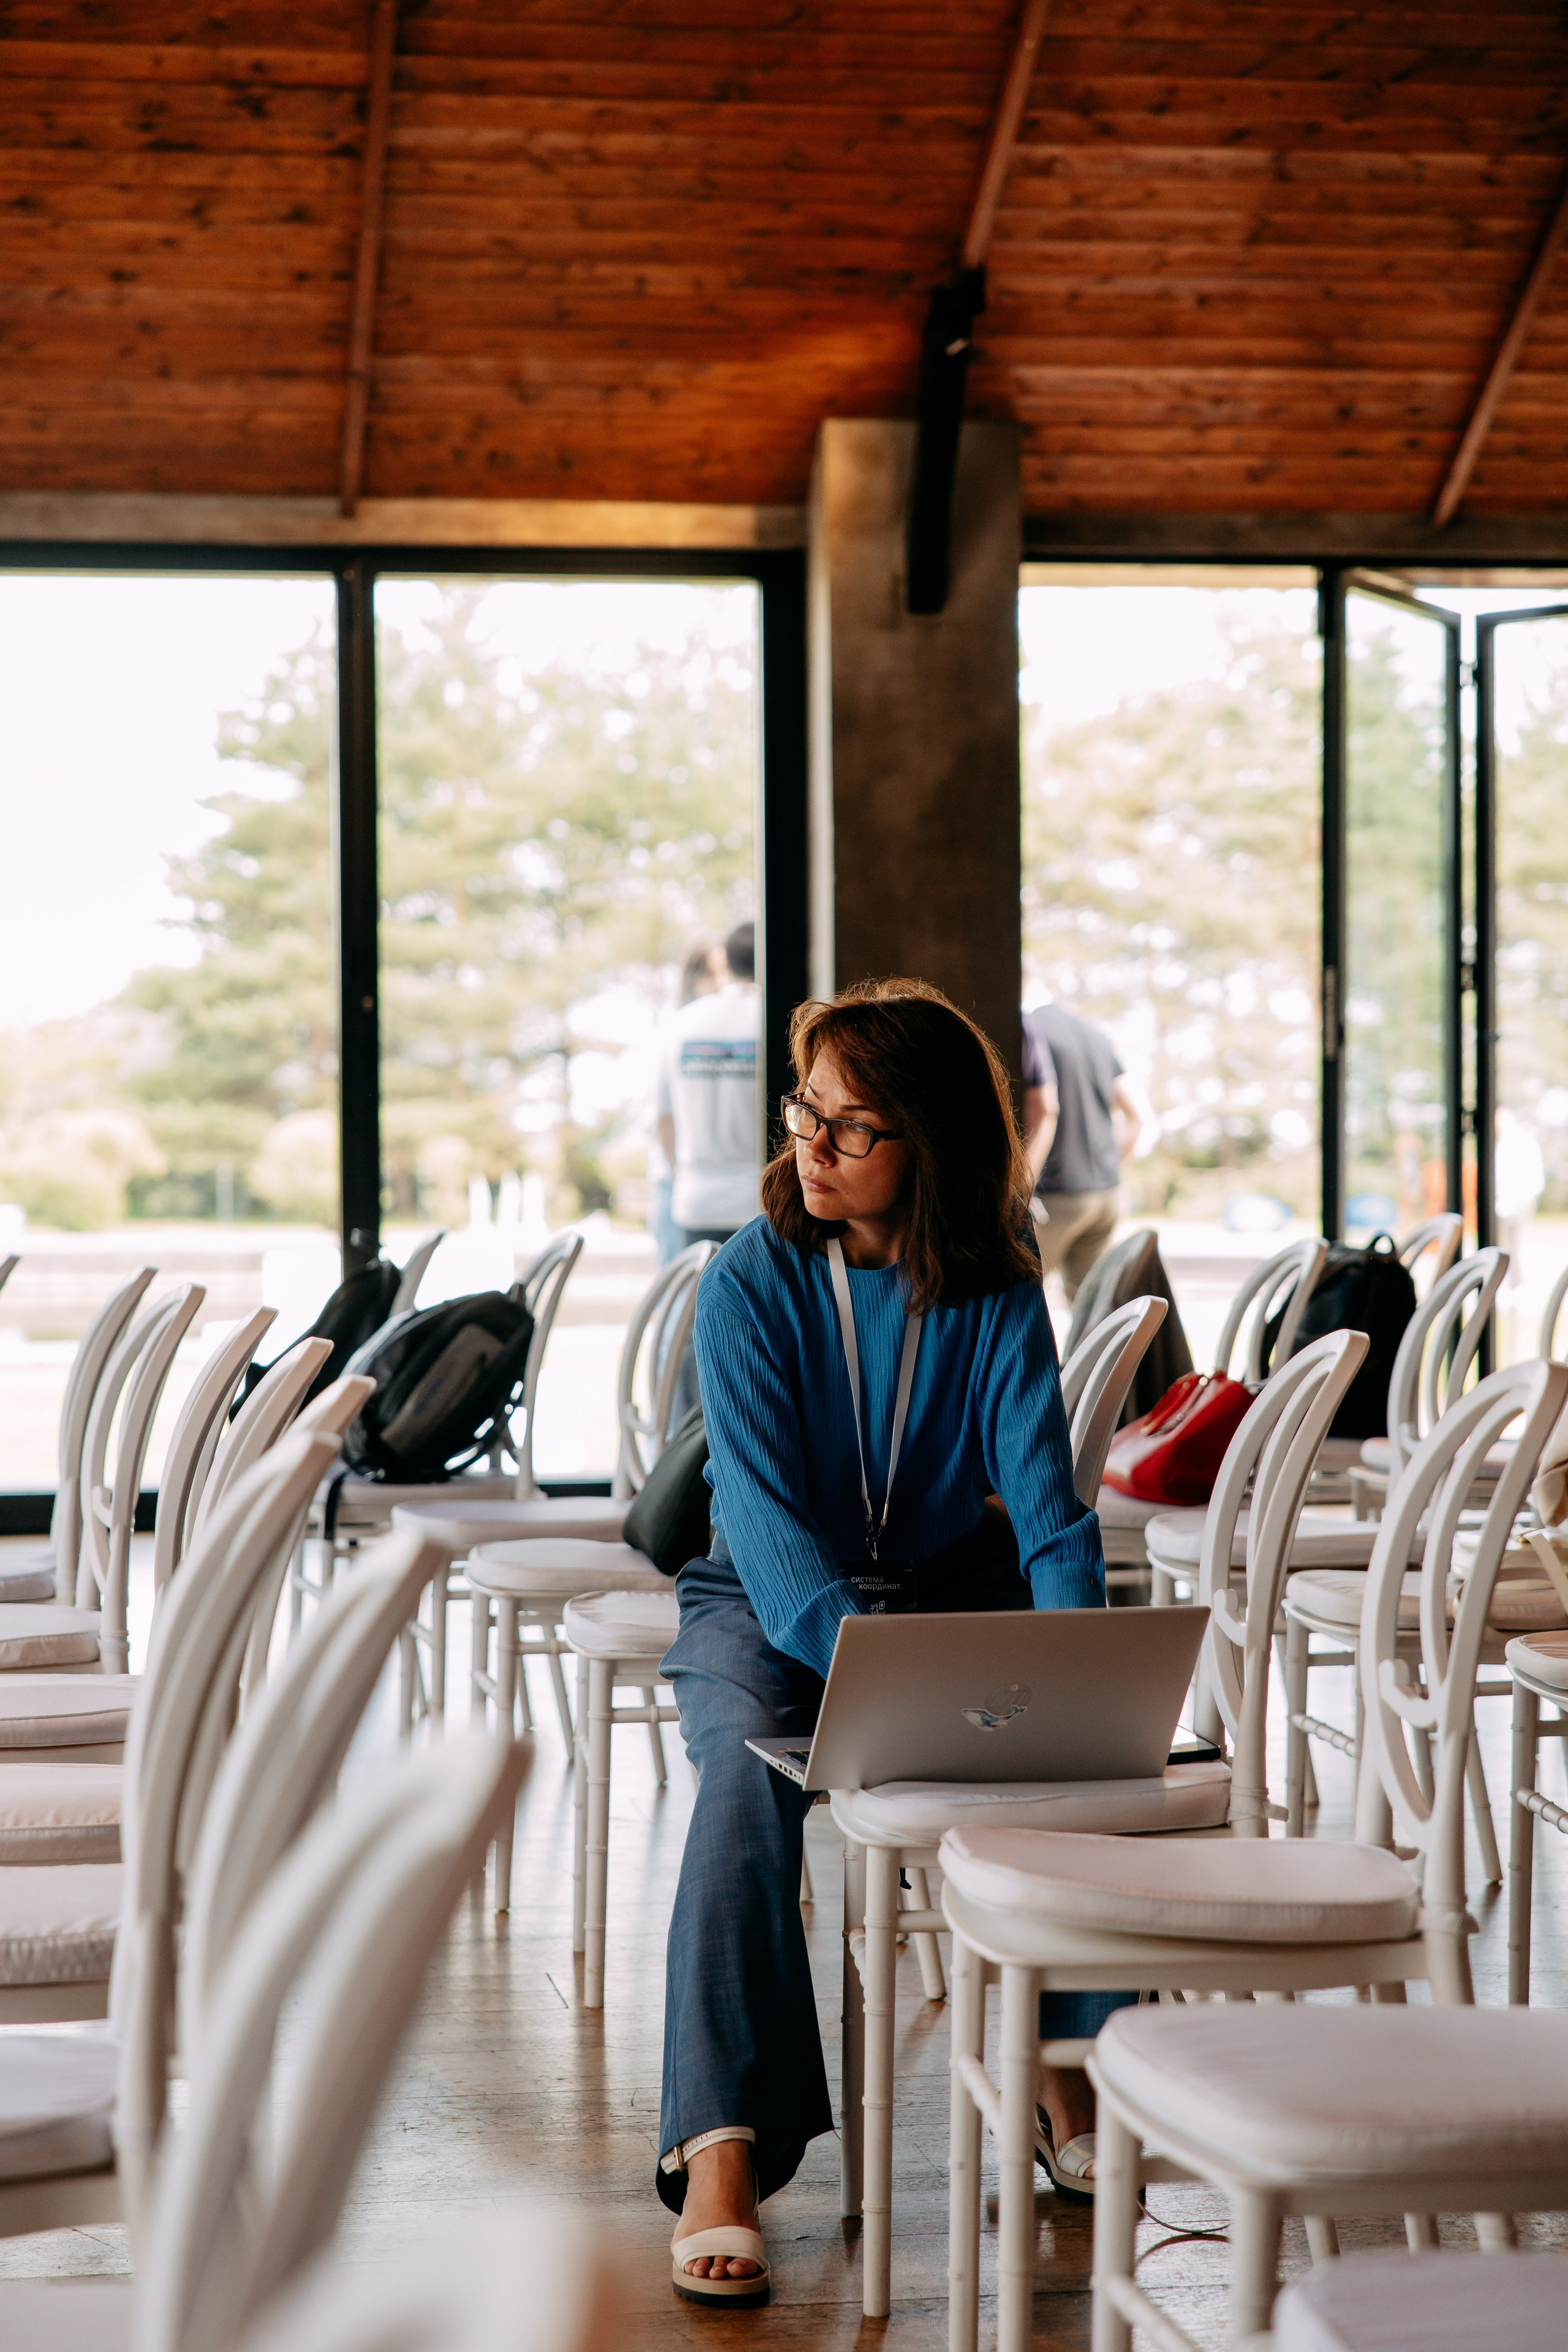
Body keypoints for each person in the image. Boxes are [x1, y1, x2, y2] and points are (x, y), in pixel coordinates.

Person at [656, 978, 1126, 2309]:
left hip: (939, 1581)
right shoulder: (750, 1277)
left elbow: (1045, 1512)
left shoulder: (993, 1284)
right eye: (805, 1111)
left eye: (852, 1127)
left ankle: (1065, 2073)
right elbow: (758, 1517)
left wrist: (1077, 1683)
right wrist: (869, 1667)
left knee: (1049, 1756)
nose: (812, 1145)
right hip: (762, 1597)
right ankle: (721, 2153)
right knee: (739, 1788)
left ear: (933, 1145)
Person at [1024, 996, 1148, 1302]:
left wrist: (1020, 1187)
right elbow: (1135, 1118)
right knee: (1088, 1309)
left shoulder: (1031, 1029)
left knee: (1019, 1299)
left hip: (1056, 1195)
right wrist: (1111, 1167)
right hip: (1106, 1196)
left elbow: (1043, 1108)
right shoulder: (1096, 1037)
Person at [656, 921, 761, 1253]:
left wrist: (684, 1178)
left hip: (698, 1201)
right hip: (764, 1201)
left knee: (704, 1288)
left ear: (727, 962)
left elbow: (664, 1120)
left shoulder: (680, 1024)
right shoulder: (782, 1019)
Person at [648, 941, 726, 1265]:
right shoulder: (675, 1030)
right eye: (712, 973)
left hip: (700, 1184)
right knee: (682, 1285)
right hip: (676, 1181)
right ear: (693, 978)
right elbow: (663, 1121)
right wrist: (680, 1176)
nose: (721, 982)